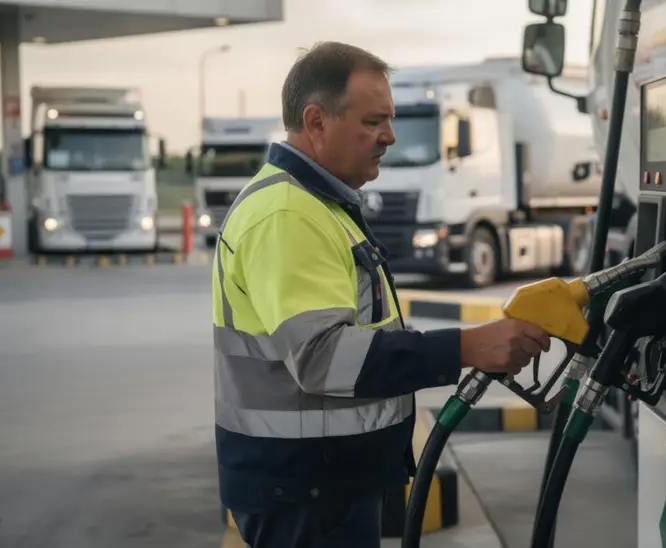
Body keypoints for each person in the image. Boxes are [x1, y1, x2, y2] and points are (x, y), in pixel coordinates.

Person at [212, 41, 551, 548]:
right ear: (316, 121)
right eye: (373, 122)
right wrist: (467, 347)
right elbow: (324, 358)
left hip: (318, 480)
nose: (389, 136)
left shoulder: (316, 204)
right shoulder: (288, 214)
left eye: (389, 120)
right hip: (306, 491)